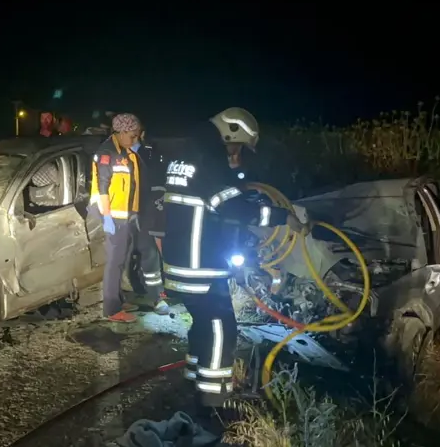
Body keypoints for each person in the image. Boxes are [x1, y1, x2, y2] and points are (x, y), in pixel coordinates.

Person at [160, 107, 295, 413]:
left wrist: (233, 173)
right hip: (201, 265)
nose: (237, 153)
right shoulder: (208, 160)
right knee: (221, 327)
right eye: (237, 146)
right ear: (229, 134)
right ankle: (214, 402)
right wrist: (284, 217)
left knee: (202, 325)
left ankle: (195, 381)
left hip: (180, 261)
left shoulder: (186, 156)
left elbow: (214, 199)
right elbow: (234, 210)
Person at [89, 113, 143, 323]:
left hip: (125, 214)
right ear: (121, 132)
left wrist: (134, 212)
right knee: (114, 261)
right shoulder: (107, 152)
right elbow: (103, 186)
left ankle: (118, 299)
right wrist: (108, 217)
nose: (135, 139)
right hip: (112, 214)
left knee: (122, 259)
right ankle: (112, 309)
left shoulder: (124, 151)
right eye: (133, 135)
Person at [133, 128, 170, 315]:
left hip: (157, 209)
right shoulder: (125, 155)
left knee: (159, 255)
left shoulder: (153, 156)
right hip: (141, 214)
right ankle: (157, 297)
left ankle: (163, 294)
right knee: (149, 256)